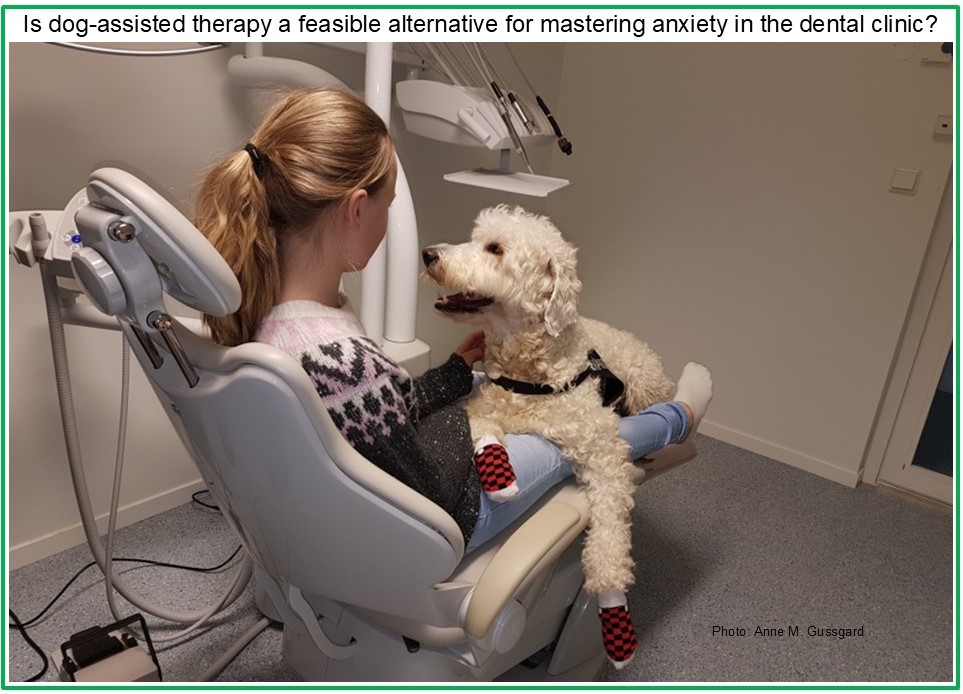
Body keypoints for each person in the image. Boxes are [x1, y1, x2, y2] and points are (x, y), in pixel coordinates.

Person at [195, 87, 712, 669]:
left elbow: (382, 414)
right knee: (581, 437)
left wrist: (454, 377)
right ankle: (677, 417)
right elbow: (429, 482)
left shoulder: (274, 325)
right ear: (356, 208)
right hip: (449, 515)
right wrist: (471, 424)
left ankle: (552, 406)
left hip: (343, 518)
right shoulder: (344, 360)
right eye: (389, 203)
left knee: (484, 396)